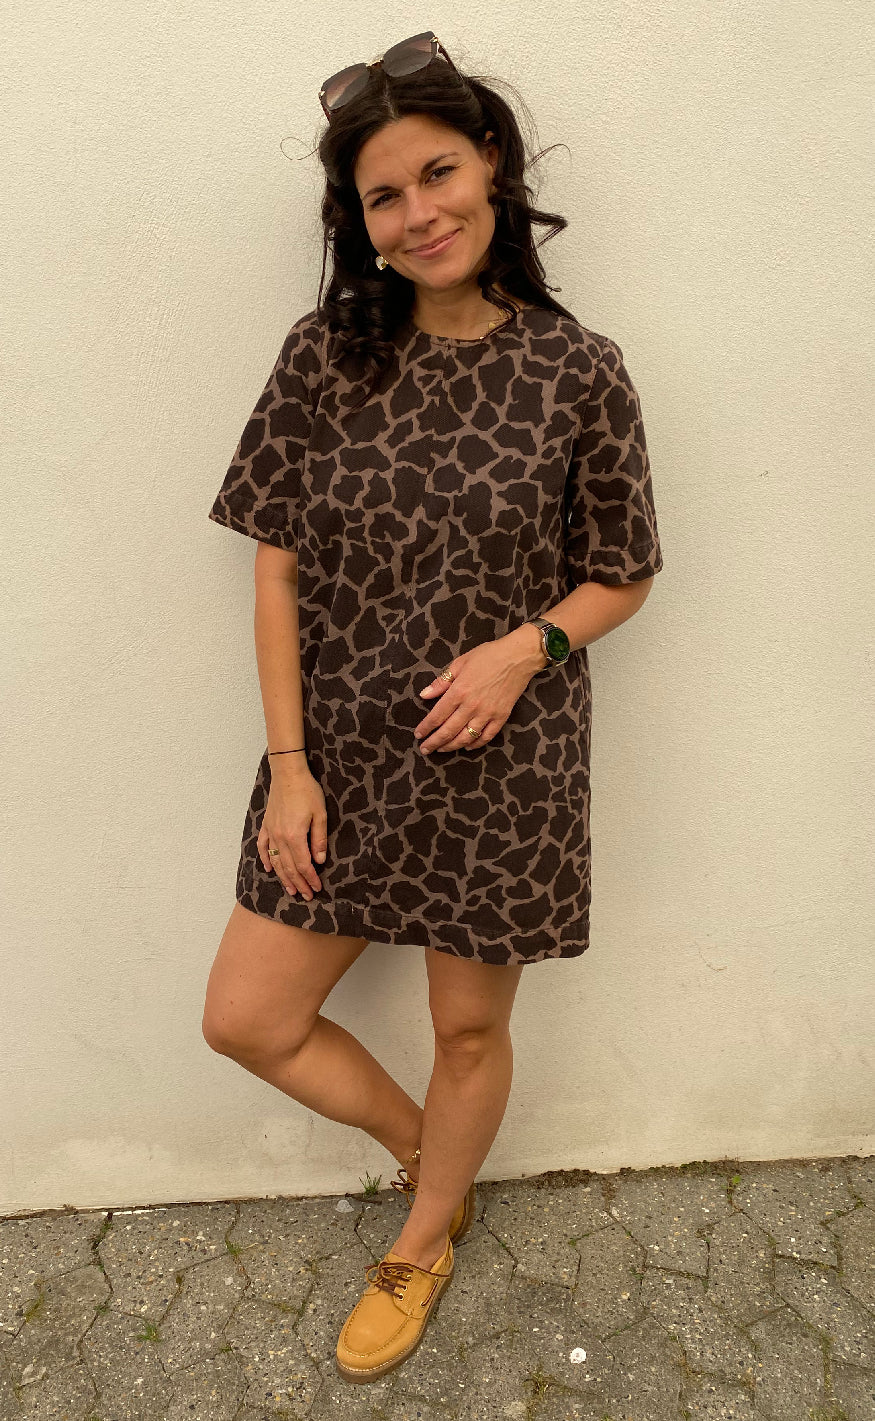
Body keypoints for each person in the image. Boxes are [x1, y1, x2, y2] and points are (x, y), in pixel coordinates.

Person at [201, 30, 664, 1385]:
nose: (419, 213)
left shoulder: (580, 371)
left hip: (503, 762)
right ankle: (431, 1160)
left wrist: (526, 648)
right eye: (384, 196)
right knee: (247, 1016)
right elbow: (275, 568)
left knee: (470, 1025)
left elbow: (625, 570)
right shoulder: (323, 358)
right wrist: (290, 765)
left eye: (439, 173)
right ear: (359, 223)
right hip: (340, 755)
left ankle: (419, 1243)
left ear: (494, 165)